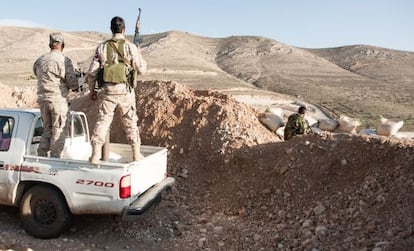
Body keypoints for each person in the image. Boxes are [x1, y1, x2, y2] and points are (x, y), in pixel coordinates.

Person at [86, 16, 147, 164]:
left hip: (108, 92)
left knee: (103, 121)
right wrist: (139, 54)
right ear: (124, 29)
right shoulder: (130, 46)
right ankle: (136, 154)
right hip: (125, 91)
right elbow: (141, 70)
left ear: (111, 29)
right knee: (130, 122)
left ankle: (95, 155)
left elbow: (92, 72)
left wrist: (92, 90)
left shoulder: (102, 47)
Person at [33, 32, 80, 157]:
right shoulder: (64, 60)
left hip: (43, 100)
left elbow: (36, 73)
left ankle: (41, 157)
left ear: (50, 44)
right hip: (58, 101)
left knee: (47, 131)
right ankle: (55, 161)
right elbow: (72, 83)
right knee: (58, 132)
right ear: (62, 45)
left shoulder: (40, 60)